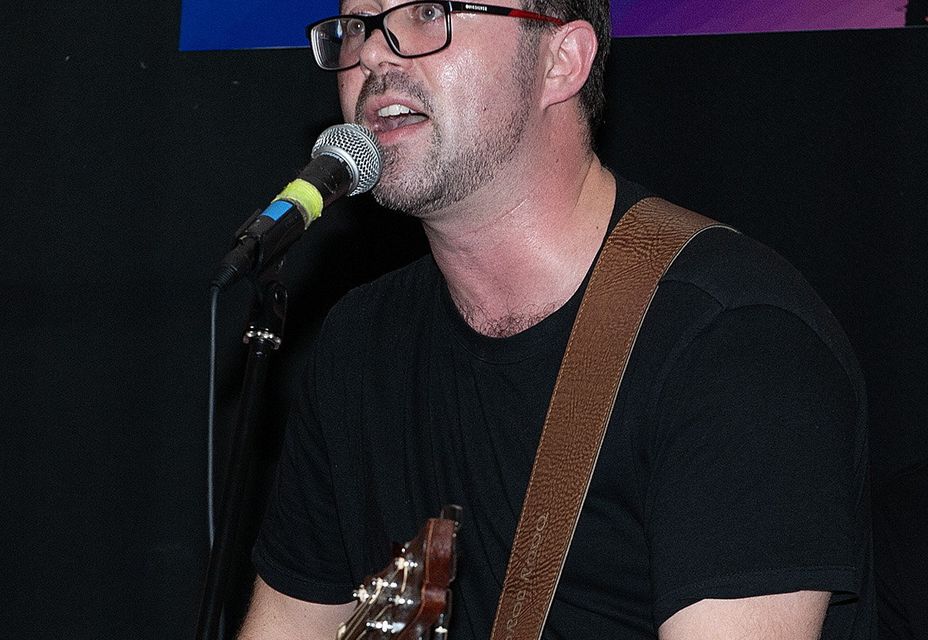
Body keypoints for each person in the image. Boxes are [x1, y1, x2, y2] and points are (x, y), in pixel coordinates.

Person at [239, 1, 874, 638]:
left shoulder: (735, 340)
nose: (373, 53)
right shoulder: (357, 344)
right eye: (356, 25)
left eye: (428, 11)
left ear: (560, 62)